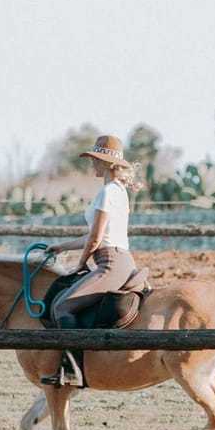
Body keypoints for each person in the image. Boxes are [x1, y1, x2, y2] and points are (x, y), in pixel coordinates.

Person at [45, 134, 138, 328]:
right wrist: (62, 247)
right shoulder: (118, 190)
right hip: (123, 260)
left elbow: (95, 239)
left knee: (61, 308)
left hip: (110, 263)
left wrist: (80, 263)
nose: (92, 164)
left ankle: (76, 358)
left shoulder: (107, 192)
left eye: (94, 160)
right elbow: (97, 236)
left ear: (105, 163)